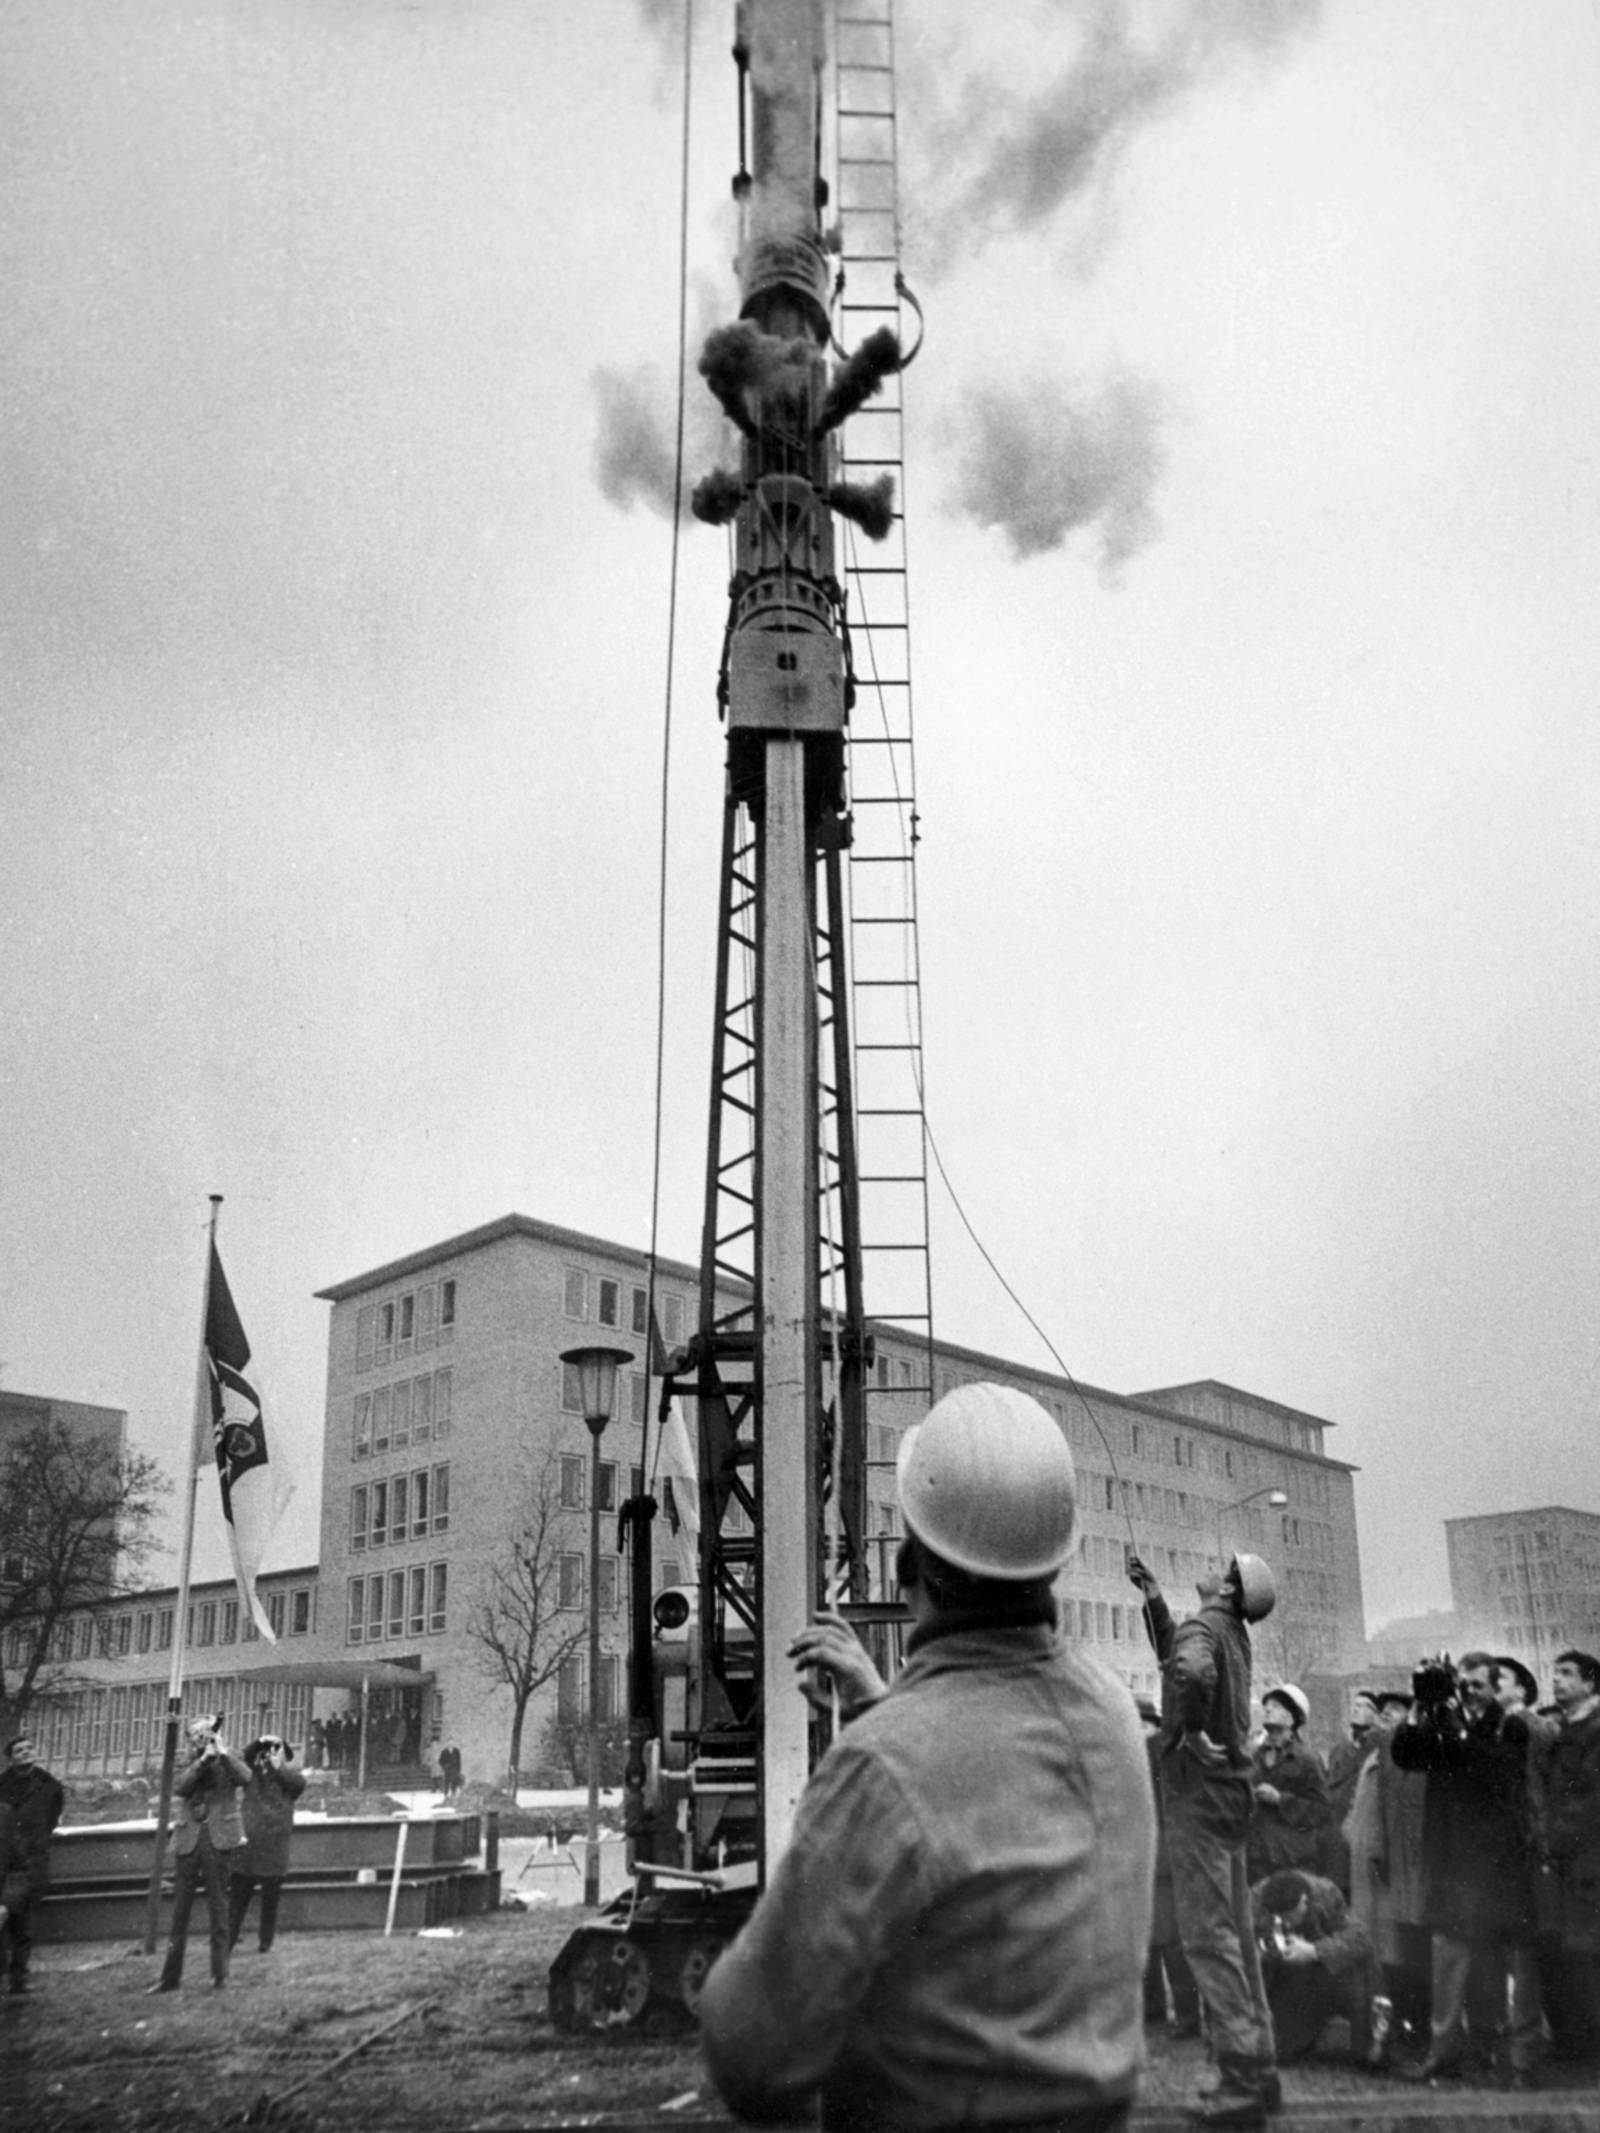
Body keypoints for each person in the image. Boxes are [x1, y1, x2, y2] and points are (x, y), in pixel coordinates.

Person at [699, 1383, 1156, 2133]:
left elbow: (752, 2055)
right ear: (1056, 1557)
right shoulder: (1110, 1712)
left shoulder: (881, 1767)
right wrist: (889, 1704)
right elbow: (995, 1791)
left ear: (915, 1557)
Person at [1130, 1548, 1280, 2129]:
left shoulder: (1205, 1628)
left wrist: (1189, 1730)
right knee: (1238, 1933)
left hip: (1197, 1796)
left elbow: (1189, 1672)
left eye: (1223, 1565)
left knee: (1209, 1938)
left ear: (1228, 1587)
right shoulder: (1229, 1630)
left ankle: (1239, 2081)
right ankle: (1261, 2068)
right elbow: (1181, 1657)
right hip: (1232, 1796)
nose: (1213, 1565)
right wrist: (1152, 1597)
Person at [1389, 1652, 1542, 2087]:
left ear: (1494, 1688)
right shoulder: (1445, 1718)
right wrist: (1422, 1707)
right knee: (1449, 1958)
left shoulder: (1509, 1725)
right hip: (1454, 1862)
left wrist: (1453, 1721)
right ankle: (1443, 2053)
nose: (1469, 1692)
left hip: (1499, 1864)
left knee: (1512, 1961)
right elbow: (1406, 1753)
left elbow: (1487, 1765)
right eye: (1464, 1684)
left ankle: (1520, 2060)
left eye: (1477, 1685)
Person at [1530, 1648, 1600, 2067]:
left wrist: (1552, 1836)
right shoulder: (1559, 1727)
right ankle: (1575, 2044)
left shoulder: (1594, 1730)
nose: (1557, 1680)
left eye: (1568, 1674)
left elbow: (1592, 1798)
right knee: (1568, 1953)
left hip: (1587, 1858)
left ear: (1590, 1684)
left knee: (1589, 1954)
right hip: (1564, 1859)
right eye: (1555, 1673)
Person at [149, 1714, 251, 1993]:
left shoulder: (229, 1755)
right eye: (196, 1733)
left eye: (206, 1732)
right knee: (179, 1913)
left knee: (219, 1908)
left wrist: (221, 1753)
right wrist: (203, 1760)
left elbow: (245, 1777)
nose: (201, 1737)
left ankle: (221, 1975)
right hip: (188, 1839)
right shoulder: (184, 1760)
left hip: (218, 1839)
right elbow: (181, 1787)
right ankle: (170, 1978)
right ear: (188, 1739)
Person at [1252, 1868, 1379, 2064]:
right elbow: (1237, 1943)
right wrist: (1263, 1952)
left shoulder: (1325, 1894)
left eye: (1290, 1916)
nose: (1286, 1923)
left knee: (1361, 1963)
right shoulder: (1256, 1899)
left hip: (1327, 1973)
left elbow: (1361, 1938)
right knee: (1277, 2054)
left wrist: (1314, 1951)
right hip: (1285, 1978)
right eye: (1280, 1918)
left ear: (1304, 1901)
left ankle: (1368, 2042)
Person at [1138, 1695, 1202, 2039]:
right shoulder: (1153, 1754)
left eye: (1144, 1725)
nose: (1139, 1732)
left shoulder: (1156, 1753)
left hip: (1164, 1861)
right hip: (1154, 1861)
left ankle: (1186, 2017)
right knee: (1152, 1943)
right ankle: (1158, 2010)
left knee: (1172, 1945)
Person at [228, 1733, 306, 1954]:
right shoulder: (249, 1775)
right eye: (267, 1751)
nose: (270, 1754)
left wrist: (278, 1767)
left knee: (270, 1898)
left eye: (276, 1749)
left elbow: (298, 1784)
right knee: (237, 1898)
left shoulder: (291, 1779)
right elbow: (241, 1759)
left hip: (274, 1847)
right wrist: (259, 1741)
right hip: (248, 1847)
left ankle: (265, 1942)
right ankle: (228, 1940)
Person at [0, 1733, 65, 1996]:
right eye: (19, 1750)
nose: (26, 1753)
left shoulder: (49, 1785)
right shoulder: (1, 1785)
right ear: (11, 1758)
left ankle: (18, 1978)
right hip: (5, 1857)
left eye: (29, 1748)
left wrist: (35, 1841)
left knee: (23, 1922)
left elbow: (51, 1818)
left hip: (32, 1859)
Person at [1247, 1685, 1330, 1884]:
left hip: (1292, 1862)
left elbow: (1322, 1810)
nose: (1267, 1709)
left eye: (1275, 1706)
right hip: (1256, 1858)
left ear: (1293, 1717)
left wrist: (1280, 1800)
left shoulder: (1308, 1759)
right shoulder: (1254, 1756)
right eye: (1266, 1705)